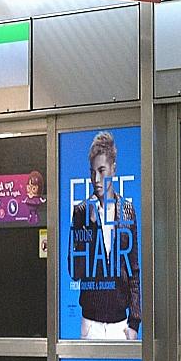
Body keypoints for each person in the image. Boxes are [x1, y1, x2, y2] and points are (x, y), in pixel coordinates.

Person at [68, 131, 141, 339]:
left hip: (121, 323)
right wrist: (90, 231)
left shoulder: (127, 211)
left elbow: (133, 269)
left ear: (113, 169)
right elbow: (74, 270)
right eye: (92, 172)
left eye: (101, 170)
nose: (96, 179)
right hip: (90, 322)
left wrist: (134, 322)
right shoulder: (81, 212)